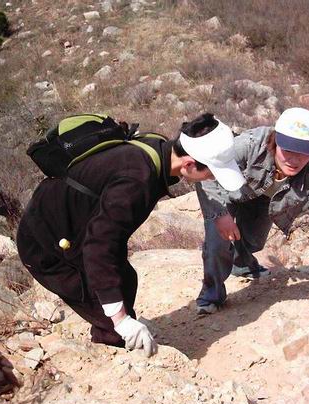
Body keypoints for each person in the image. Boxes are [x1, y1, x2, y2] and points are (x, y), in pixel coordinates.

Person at [17, 113, 245, 357]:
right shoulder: (137, 180)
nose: (212, 178)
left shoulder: (158, 148)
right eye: (212, 173)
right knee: (107, 312)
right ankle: (115, 352)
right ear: (189, 164)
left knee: (125, 280)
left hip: (72, 222)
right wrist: (120, 320)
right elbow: (98, 247)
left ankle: (121, 337)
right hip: (46, 243)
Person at [195, 107, 309, 314]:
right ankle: (211, 295)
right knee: (218, 242)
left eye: (303, 153)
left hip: (263, 199)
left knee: (254, 242)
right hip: (226, 192)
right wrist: (220, 214)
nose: (294, 160)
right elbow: (206, 170)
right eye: (288, 150)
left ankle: (241, 265)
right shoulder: (249, 144)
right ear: (275, 141)